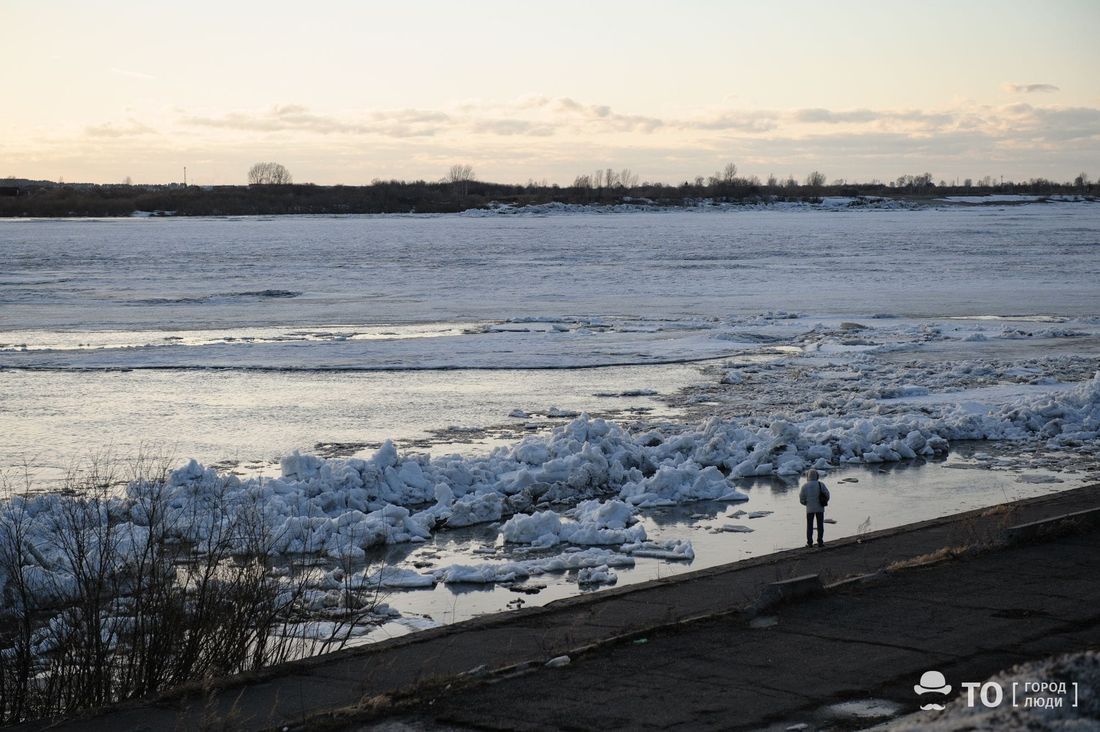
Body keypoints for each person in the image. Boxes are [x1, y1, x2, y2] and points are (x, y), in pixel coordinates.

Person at [798, 469, 830, 547]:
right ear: (817, 476)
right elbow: (827, 494)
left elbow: (801, 498)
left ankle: (809, 543)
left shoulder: (805, 486)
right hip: (820, 508)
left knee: (809, 526)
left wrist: (806, 504)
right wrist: (824, 501)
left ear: (808, 476)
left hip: (809, 509)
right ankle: (820, 542)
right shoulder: (821, 484)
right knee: (820, 525)